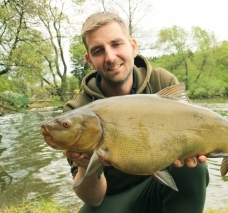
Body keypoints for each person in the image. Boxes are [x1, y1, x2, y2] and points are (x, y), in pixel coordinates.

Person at [62, 11, 210, 213]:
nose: (110, 57)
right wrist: (86, 164)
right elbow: (94, 199)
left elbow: (194, 134)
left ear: (133, 46)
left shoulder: (162, 83)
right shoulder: (77, 112)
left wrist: (195, 149)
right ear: (89, 61)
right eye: (98, 51)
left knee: (193, 168)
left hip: (160, 187)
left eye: (116, 44)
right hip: (113, 202)